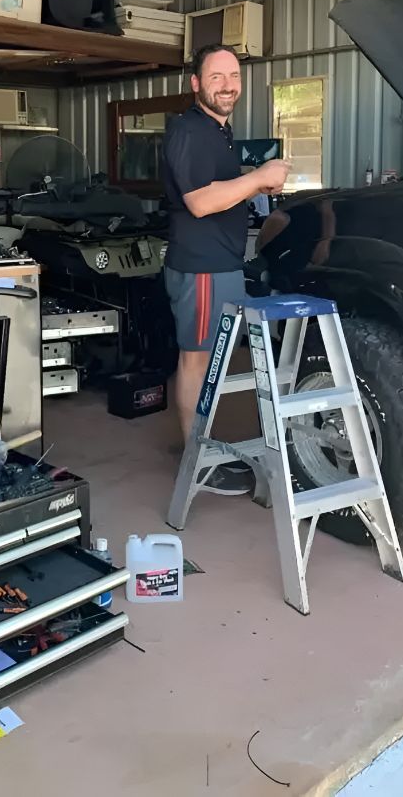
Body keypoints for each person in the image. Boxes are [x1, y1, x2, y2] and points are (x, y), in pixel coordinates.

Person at [162, 44, 291, 491]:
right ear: (196, 83)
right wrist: (258, 177)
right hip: (201, 268)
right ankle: (196, 463)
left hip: (222, 264)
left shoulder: (219, 131)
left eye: (233, 76)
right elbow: (200, 201)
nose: (227, 85)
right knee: (196, 361)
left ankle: (205, 449)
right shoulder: (189, 131)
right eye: (216, 77)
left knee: (210, 359)